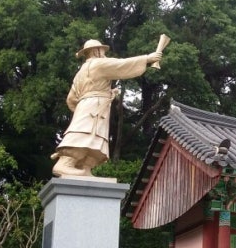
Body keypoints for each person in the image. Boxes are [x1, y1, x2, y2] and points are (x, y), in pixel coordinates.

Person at [51, 39, 162, 177]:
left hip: (86, 106)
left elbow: (71, 99)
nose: (104, 53)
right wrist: (147, 59)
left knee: (92, 137)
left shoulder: (80, 72)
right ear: (96, 51)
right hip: (94, 107)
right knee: (82, 135)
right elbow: (122, 65)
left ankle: (85, 167)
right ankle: (64, 163)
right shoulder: (98, 64)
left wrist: (81, 108)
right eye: (102, 50)